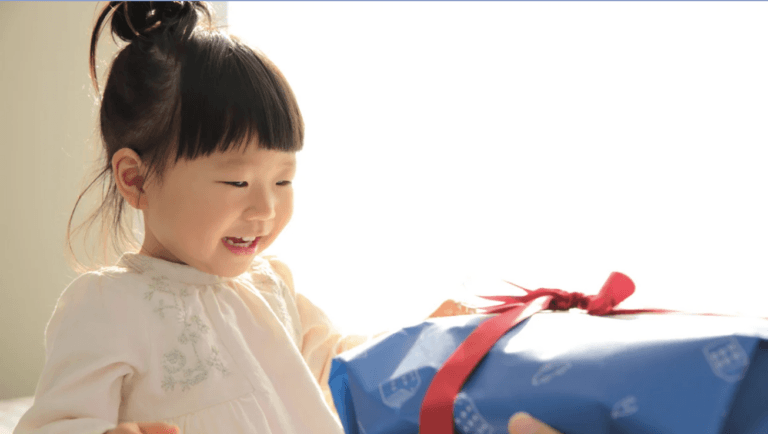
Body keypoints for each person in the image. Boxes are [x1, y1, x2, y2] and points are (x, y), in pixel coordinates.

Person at [12, 2, 473, 434]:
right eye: (237, 183)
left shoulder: (274, 287)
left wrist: (423, 343)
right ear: (136, 179)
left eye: (283, 181)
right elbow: (56, 423)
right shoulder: (106, 307)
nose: (265, 210)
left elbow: (343, 369)